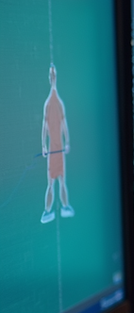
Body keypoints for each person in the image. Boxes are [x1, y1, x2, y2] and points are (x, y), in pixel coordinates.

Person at [41, 64, 73, 223]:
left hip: (57, 150)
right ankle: (50, 210)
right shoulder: (52, 103)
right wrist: (44, 146)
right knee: (56, 182)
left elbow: (59, 124)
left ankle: (60, 208)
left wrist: (66, 142)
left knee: (57, 182)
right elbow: (46, 126)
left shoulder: (53, 103)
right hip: (56, 150)